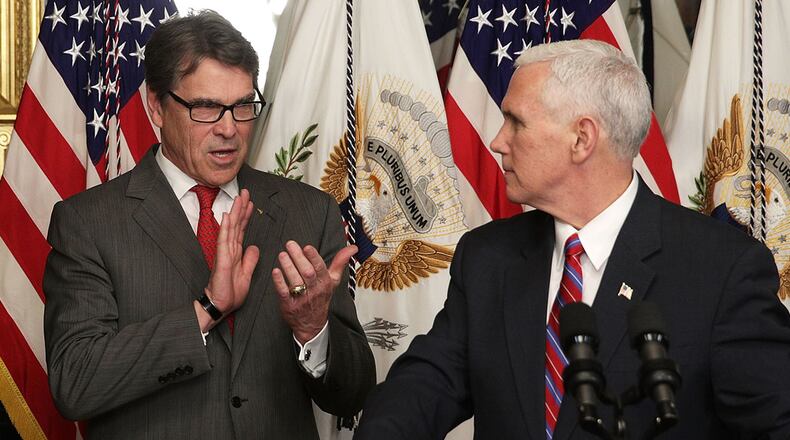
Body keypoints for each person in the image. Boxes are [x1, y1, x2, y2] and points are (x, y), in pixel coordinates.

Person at [355, 40, 790, 439]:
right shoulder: (488, 257)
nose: (497, 141)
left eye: (516, 122)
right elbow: (424, 386)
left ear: (582, 138)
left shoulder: (721, 269)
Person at [43, 10, 375, 439]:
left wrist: (314, 331)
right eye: (205, 108)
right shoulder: (89, 222)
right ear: (157, 107)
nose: (229, 129)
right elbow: (75, 383)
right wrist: (207, 310)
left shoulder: (309, 212)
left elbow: (352, 394)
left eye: (242, 106)